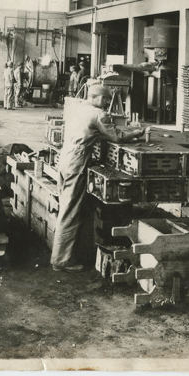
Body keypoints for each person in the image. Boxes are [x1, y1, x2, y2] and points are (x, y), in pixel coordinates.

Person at [49, 83, 146, 272]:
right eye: (106, 99)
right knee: (71, 212)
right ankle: (61, 261)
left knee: (66, 208)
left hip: (65, 160)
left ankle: (68, 254)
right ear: (97, 97)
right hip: (77, 163)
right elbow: (116, 136)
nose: (107, 103)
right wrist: (136, 132)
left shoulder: (78, 108)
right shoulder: (98, 114)